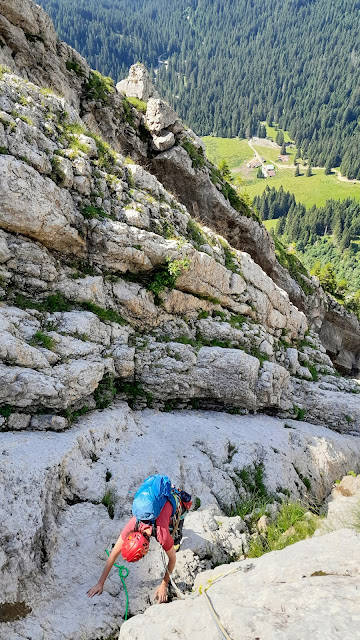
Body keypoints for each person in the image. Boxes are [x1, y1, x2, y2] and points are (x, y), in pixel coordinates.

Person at [87, 476, 192, 604]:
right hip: (162, 498)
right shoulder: (133, 525)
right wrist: (100, 583)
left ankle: (176, 543)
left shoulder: (162, 534)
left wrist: (164, 585)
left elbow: (172, 560)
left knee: (175, 539)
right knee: (169, 536)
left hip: (176, 502)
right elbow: (113, 554)